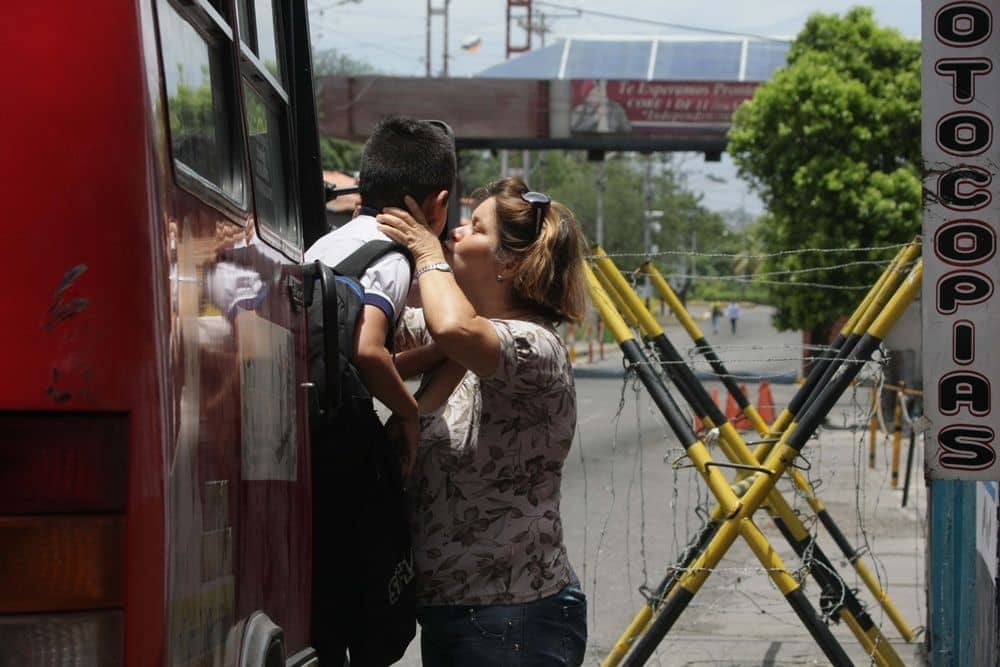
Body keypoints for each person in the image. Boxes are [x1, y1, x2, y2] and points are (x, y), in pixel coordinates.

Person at [377, 177, 589, 665]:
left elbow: (452, 328)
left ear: (509, 263)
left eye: (475, 228)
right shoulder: (465, 346)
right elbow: (383, 331)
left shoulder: (534, 347)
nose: (455, 234)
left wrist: (426, 250)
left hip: (513, 617)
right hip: (461, 613)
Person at [303, 115, 455, 665]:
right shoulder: (391, 256)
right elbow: (368, 351)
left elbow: (349, 352)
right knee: (371, 594)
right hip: (348, 444)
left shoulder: (325, 244)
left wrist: (436, 354)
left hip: (308, 432)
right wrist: (411, 414)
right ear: (437, 204)